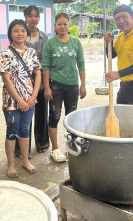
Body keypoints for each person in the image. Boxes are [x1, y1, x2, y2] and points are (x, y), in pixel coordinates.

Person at [0, 19, 41, 178]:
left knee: (24, 130)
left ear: (27, 33)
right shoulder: (5, 54)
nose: (20, 33)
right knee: (12, 132)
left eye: (23, 30)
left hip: (30, 100)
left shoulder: (32, 52)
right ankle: (11, 165)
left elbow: (38, 74)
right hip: (11, 101)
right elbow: (6, 80)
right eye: (16, 30)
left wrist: (33, 96)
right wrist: (20, 101)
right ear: (10, 34)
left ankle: (25, 160)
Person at [42, 13, 86, 163]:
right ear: (55, 26)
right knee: (54, 116)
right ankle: (55, 148)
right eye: (59, 24)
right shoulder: (50, 44)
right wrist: (47, 87)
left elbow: (81, 64)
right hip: (55, 84)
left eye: (65, 24)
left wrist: (83, 85)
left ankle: (72, 145)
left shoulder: (76, 43)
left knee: (71, 116)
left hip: (73, 84)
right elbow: (45, 66)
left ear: (69, 25)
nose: (62, 27)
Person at [16, 5, 49, 155]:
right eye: (30, 15)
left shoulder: (44, 37)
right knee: (24, 114)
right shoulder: (22, 35)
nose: (33, 18)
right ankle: (23, 149)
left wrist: (44, 81)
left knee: (42, 113)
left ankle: (42, 143)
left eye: (36, 15)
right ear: (26, 17)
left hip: (41, 81)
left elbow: (47, 61)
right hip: (23, 83)